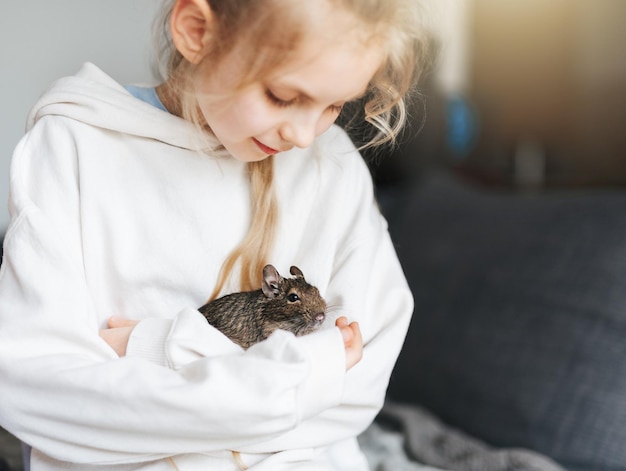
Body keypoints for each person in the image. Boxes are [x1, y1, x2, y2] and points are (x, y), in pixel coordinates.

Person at [0, 0, 427, 469]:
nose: (305, 136)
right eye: (283, 96)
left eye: (335, 105)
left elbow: (355, 390)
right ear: (197, 30)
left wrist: (162, 349)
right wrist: (294, 387)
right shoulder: (73, 148)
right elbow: (45, 395)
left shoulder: (334, 164)